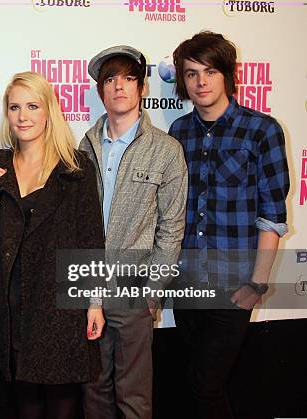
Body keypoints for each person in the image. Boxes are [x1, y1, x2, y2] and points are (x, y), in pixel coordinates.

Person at [0, 71, 105, 419]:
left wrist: (94, 303)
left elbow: (91, 239)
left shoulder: (76, 167)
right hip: (12, 303)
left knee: (62, 399)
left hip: (61, 304)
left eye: (32, 105)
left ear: (49, 111)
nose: (23, 115)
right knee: (24, 399)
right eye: (15, 107)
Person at [169, 31, 289, 419]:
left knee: (206, 384)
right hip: (186, 283)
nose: (201, 81)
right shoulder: (178, 134)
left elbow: (272, 214)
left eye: (210, 71)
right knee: (193, 381)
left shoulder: (261, 130)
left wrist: (257, 285)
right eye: (191, 73)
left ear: (227, 75)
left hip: (233, 285)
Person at [79, 45, 188, 419]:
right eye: (110, 80)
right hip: (87, 284)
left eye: (128, 79)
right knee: (93, 390)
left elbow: (171, 228)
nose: (119, 87)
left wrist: (152, 292)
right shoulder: (85, 147)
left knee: (134, 396)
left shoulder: (167, 151)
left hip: (134, 288)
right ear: (100, 91)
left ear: (141, 88)